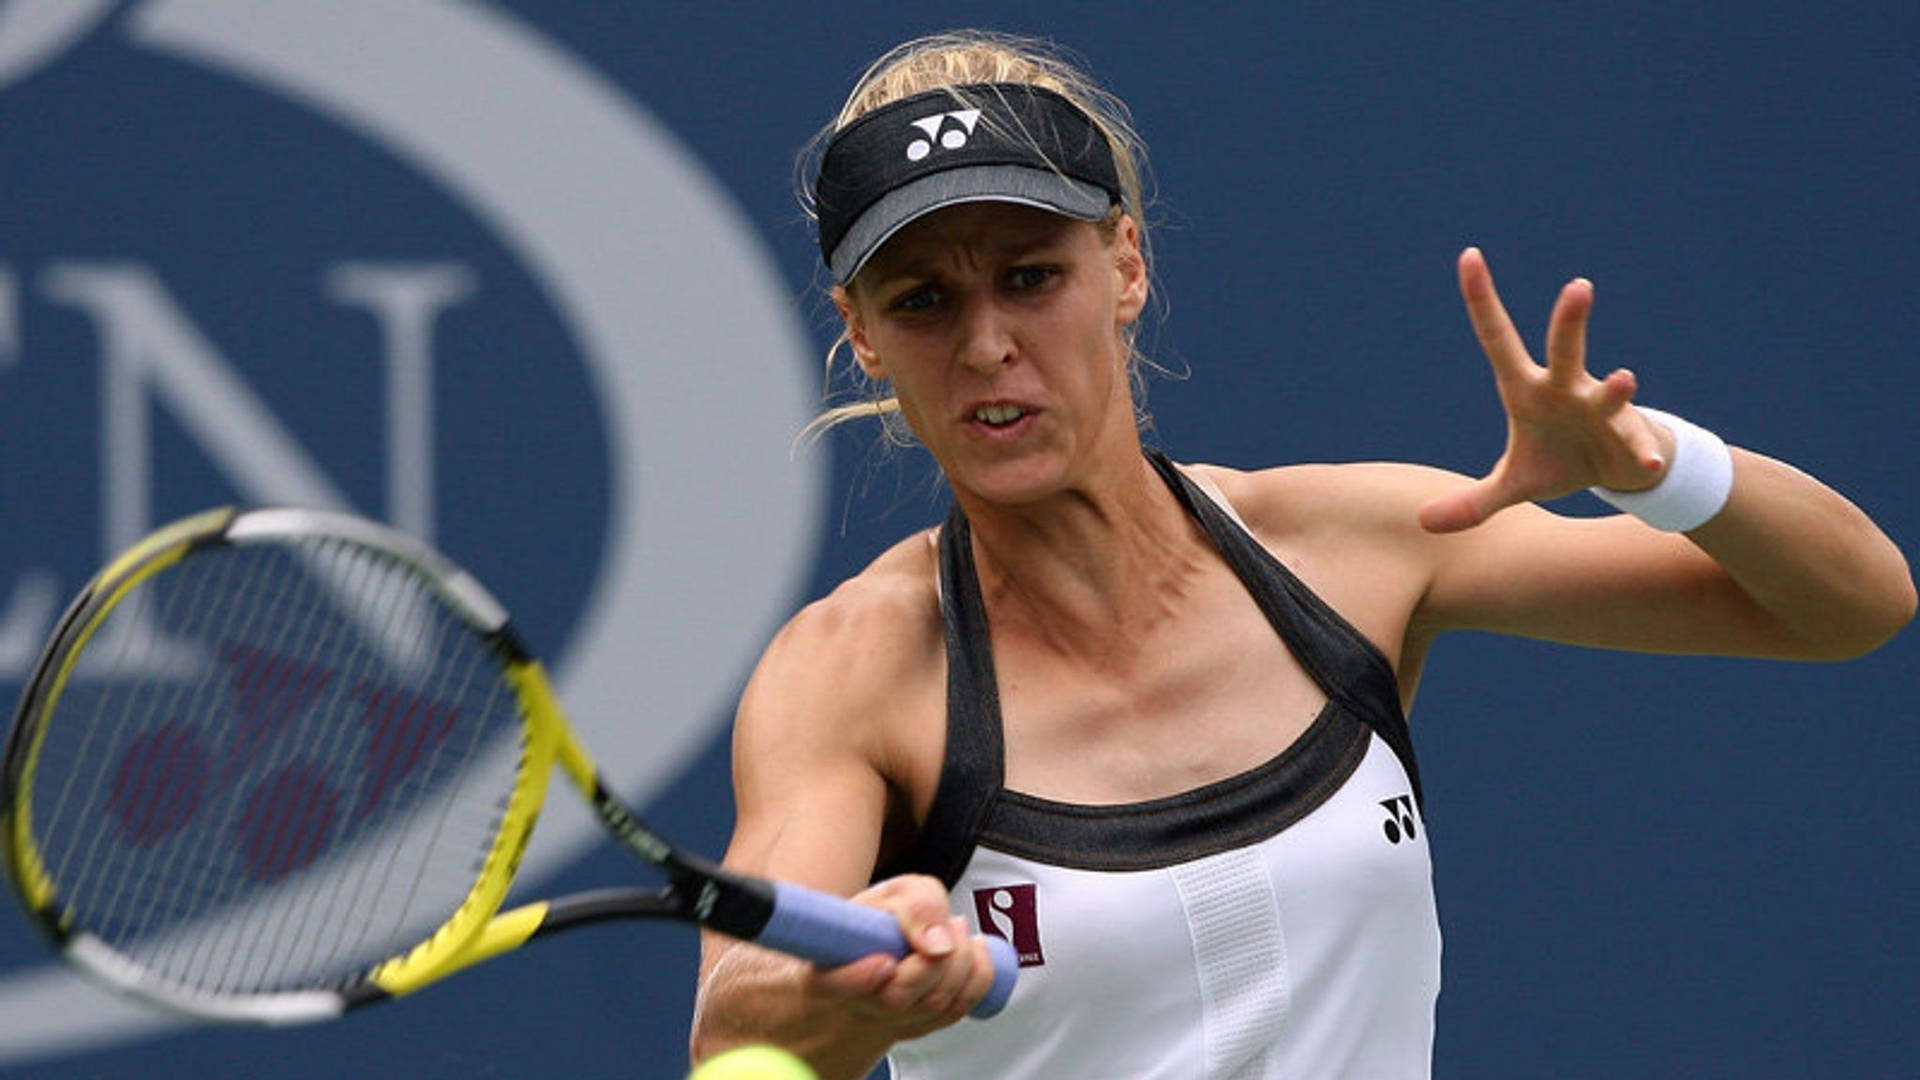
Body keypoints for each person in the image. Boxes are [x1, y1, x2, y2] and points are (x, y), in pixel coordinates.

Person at [688, 30, 1915, 1080]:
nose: (988, 344)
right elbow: (734, 1022)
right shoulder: (852, 674)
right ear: (859, 336)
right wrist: (842, 998)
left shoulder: (1355, 551)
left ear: (1125, 266)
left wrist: (1653, 466)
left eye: (1030, 276)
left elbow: (1851, 607)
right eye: (923, 303)